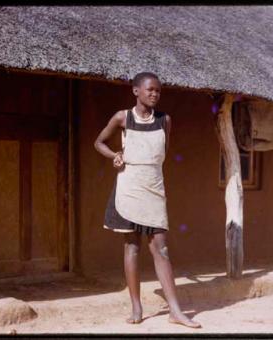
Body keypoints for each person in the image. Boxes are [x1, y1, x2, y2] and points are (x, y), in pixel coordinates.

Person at [94, 72, 201, 328]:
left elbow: (160, 156)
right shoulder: (123, 118)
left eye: (158, 91)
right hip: (129, 188)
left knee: (161, 249)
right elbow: (99, 142)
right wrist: (114, 156)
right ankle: (136, 306)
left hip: (153, 189)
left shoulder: (165, 121)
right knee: (131, 247)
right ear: (136, 91)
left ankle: (175, 310)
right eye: (150, 90)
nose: (154, 94)